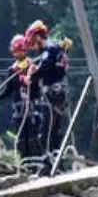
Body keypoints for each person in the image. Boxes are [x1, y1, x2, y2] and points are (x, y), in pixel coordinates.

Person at [0, 35, 42, 173]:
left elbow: (39, 87)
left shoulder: (32, 66)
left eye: (19, 51)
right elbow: (7, 91)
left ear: (24, 50)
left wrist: (30, 77)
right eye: (15, 52)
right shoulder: (12, 70)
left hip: (33, 108)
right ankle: (26, 166)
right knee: (21, 139)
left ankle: (37, 166)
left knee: (34, 138)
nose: (17, 54)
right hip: (19, 111)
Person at [24, 20, 72, 175]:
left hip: (53, 95)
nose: (33, 47)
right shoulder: (57, 49)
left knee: (44, 133)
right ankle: (58, 162)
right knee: (55, 131)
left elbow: (43, 70)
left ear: (38, 37)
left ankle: (49, 164)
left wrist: (31, 76)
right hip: (61, 94)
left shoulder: (48, 51)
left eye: (32, 43)